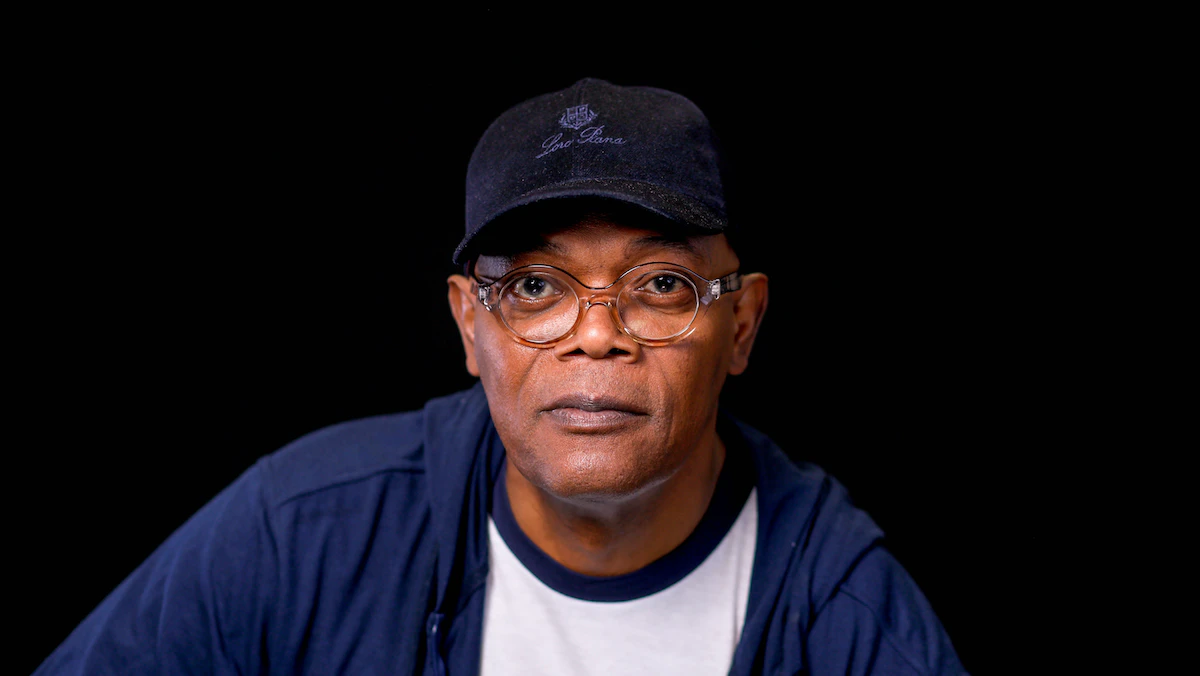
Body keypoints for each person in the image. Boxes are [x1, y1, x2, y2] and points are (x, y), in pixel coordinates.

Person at [36, 77, 967, 675]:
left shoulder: (847, 614)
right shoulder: (305, 529)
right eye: (533, 286)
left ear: (743, 325)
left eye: (660, 285)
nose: (596, 337)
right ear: (468, 325)